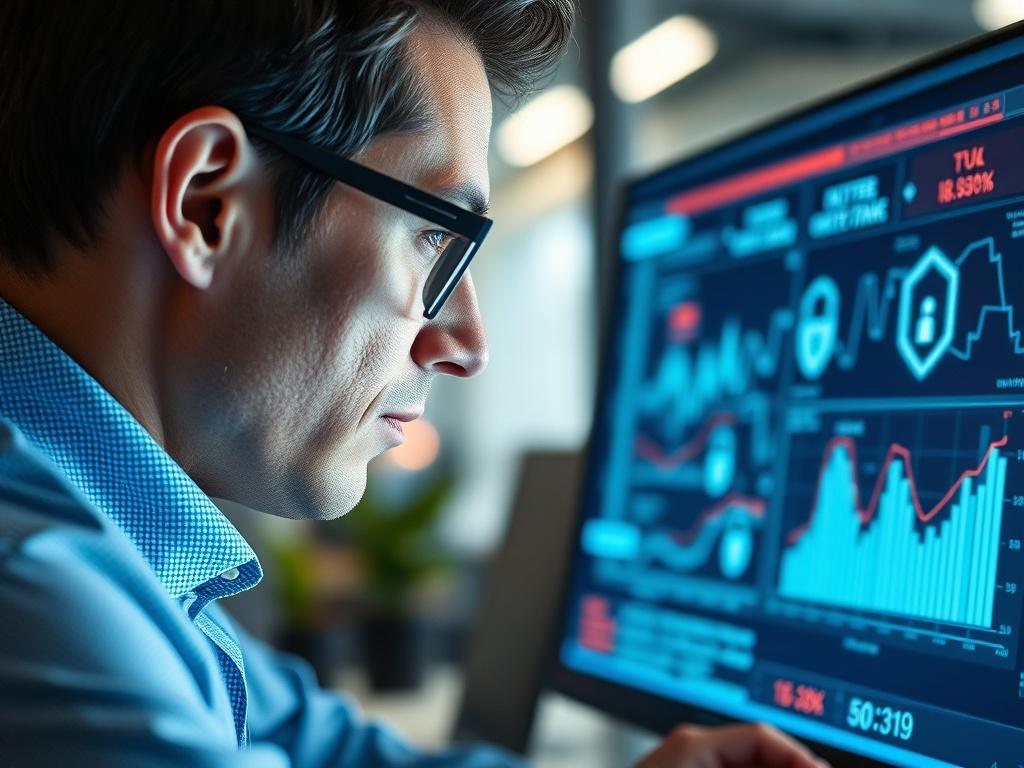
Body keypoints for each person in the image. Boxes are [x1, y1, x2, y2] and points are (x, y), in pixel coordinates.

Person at [0, 2, 829, 767]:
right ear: (208, 202)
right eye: (435, 239)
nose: (466, 345)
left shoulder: (114, 551)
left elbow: (322, 747)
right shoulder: (36, 593)